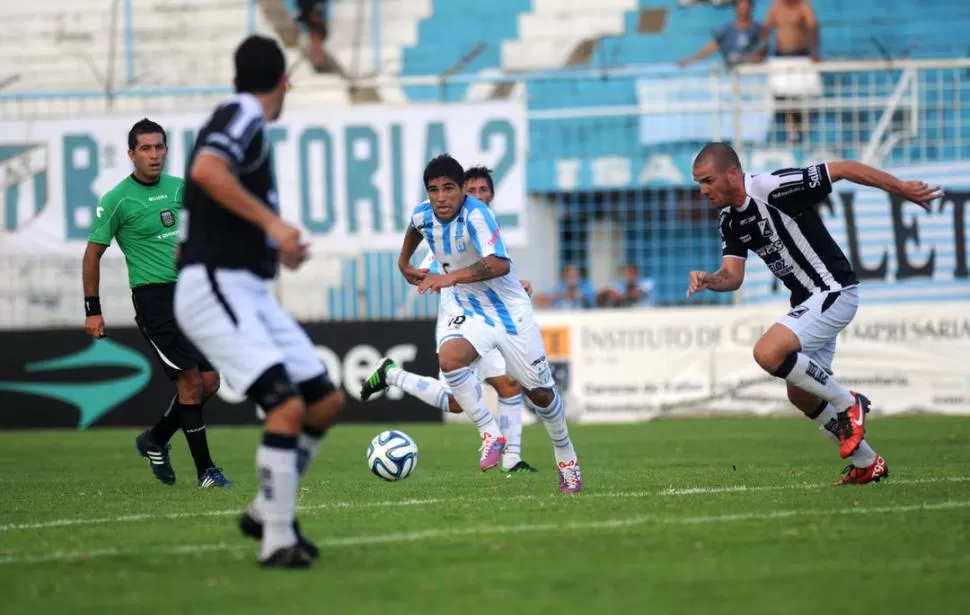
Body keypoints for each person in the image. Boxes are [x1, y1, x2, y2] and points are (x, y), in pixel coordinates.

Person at [173, 35, 345, 568]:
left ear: (235, 76)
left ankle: (266, 509)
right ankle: (277, 538)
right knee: (287, 407)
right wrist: (272, 223)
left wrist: (274, 246)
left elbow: (208, 201)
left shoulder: (239, 118)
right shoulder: (245, 112)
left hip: (245, 285)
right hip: (217, 286)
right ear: (285, 82)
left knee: (323, 402)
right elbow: (205, 170)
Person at [687, 142, 941, 485]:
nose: (703, 190)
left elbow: (843, 168)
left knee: (768, 352)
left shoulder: (772, 188)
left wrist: (900, 188)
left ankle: (849, 402)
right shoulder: (730, 220)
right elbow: (732, 277)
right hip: (808, 301)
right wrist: (709, 280)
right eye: (699, 183)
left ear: (731, 173)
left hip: (834, 290)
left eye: (708, 180)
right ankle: (868, 463)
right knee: (800, 392)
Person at [395, 154, 582, 493]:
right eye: (433, 190)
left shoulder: (477, 216)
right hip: (471, 312)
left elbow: (500, 265)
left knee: (539, 393)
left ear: (461, 192)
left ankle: (566, 455)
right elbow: (414, 228)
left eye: (449, 188)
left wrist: (451, 278)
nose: (441, 197)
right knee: (450, 359)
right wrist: (403, 262)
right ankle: (490, 432)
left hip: (510, 313)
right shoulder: (424, 213)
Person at [360, 166, 538, 474]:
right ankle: (393, 375)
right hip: (459, 315)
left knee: (509, 386)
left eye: (484, 190)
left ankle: (511, 459)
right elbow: (437, 260)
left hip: (490, 313)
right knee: (461, 401)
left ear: (492, 195)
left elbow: (495, 266)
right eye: (471, 191)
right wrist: (413, 267)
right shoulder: (448, 227)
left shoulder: (485, 223)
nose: (478, 196)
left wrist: (515, 289)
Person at [82, 119, 230, 489]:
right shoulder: (117, 200)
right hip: (155, 300)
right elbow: (91, 255)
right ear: (131, 154)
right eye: (145, 148)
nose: (154, 155)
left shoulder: (179, 189)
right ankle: (206, 471)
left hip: (191, 296)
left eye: (159, 147)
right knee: (192, 382)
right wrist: (92, 309)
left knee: (209, 381)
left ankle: (156, 439)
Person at [677, 0, 764, 68]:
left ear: (752, 8)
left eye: (746, 7)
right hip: (732, 71)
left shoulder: (758, 30)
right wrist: (689, 60)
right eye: (741, 7)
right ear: (735, 8)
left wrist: (757, 56)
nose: (744, 10)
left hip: (751, 72)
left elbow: (763, 50)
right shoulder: (727, 30)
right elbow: (709, 48)